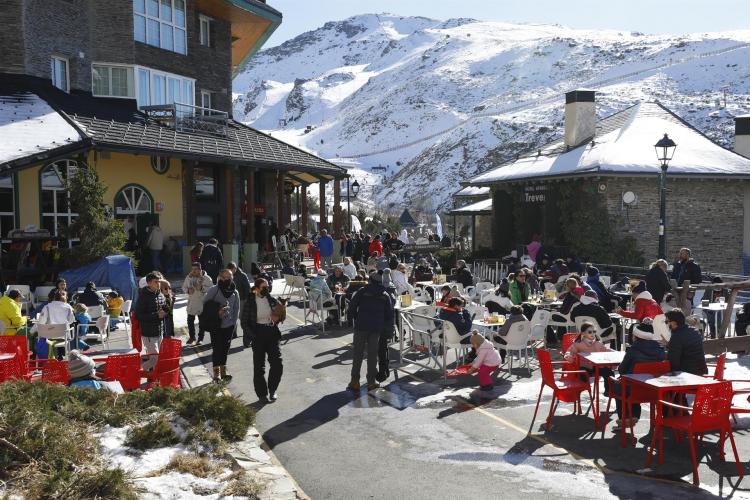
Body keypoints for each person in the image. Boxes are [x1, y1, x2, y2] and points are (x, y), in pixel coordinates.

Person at [347, 270, 394, 391]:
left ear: (370, 280)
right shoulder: (385, 294)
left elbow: (352, 306)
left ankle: (355, 381)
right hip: (376, 328)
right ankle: (371, 382)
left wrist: (352, 319)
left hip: (361, 326)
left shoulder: (362, 291)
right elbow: (389, 314)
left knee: (358, 353)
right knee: (373, 355)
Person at [612, 325, 667, 430]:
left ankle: (628, 418)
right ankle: (634, 416)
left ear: (636, 336)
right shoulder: (660, 350)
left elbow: (622, 369)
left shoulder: (633, 350)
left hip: (634, 389)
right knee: (630, 386)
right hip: (654, 390)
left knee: (618, 387)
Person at [241, 278, 283, 401]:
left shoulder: (271, 299)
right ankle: (262, 394)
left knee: (277, 364)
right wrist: (253, 336)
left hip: (272, 332)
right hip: (258, 333)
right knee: (259, 367)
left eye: (267, 286)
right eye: (264, 287)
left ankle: (272, 390)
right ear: (257, 288)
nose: (266, 289)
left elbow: (280, 314)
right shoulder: (250, 301)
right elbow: (244, 322)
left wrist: (278, 318)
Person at [204, 269, 239, 382]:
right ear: (220, 277)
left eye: (229, 277)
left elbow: (236, 310)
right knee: (217, 348)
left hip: (229, 326)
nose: (226, 280)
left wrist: (233, 325)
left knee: (225, 349)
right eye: (224, 277)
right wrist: (217, 311)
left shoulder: (235, 292)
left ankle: (224, 370)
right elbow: (205, 306)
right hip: (216, 325)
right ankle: (216, 373)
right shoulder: (214, 290)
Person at [564, 321, 614, 395]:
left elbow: (605, 350)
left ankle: (609, 391)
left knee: (609, 372)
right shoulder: (579, 343)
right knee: (582, 374)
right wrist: (569, 355)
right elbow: (570, 350)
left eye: (594, 331)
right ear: (583, 333)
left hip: (596, 366)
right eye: (590, 332)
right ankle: (581, 390)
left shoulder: (598, 343)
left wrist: (614, 352)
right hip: (584, 366)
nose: (593, 334)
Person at [135, 272, 167, 372]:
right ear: (148, 283)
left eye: (159, 282)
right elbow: (139, 316)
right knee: (155, 359)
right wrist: (156, 315)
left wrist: (166, 310)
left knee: (159, 358)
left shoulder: (160, 294)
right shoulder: (143, 297)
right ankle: (138, 371)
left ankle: (152, 377)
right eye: (156, 282)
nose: (158, 284)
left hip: (160, 331)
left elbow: (165, 308)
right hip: (148, 333)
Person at [664, 309, 707, 375]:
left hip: (687, 374)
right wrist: (670, 345)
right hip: (701, 370)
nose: (667, 324)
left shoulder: (676, 336)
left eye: (667, 321)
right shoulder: (695, 331)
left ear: (674, 323)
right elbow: (687, 348)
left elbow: (673, 362)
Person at [183, 262, 214, 346]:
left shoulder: (207, 278)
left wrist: (201, 288)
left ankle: (200, 339)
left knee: (202, 322)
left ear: (200, 269)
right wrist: (188, 291)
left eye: (195, 269)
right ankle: (192, 337)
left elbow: (211, 290)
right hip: (192, 303)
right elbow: (184, 287)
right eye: (192, 269)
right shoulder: (189, 277)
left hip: (202, 303)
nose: (193, 271)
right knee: (190, 321)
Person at [227, 261, 252, 337]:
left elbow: (247, 288)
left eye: (231, 270)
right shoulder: (228, 275)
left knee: (242, 317)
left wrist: (247, 300)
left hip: (241, 299)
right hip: (231, 299)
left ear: (235, 268)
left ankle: (247, 333)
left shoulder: (242, 275)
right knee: (232, 316)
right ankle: (234, 333)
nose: (230, 272)